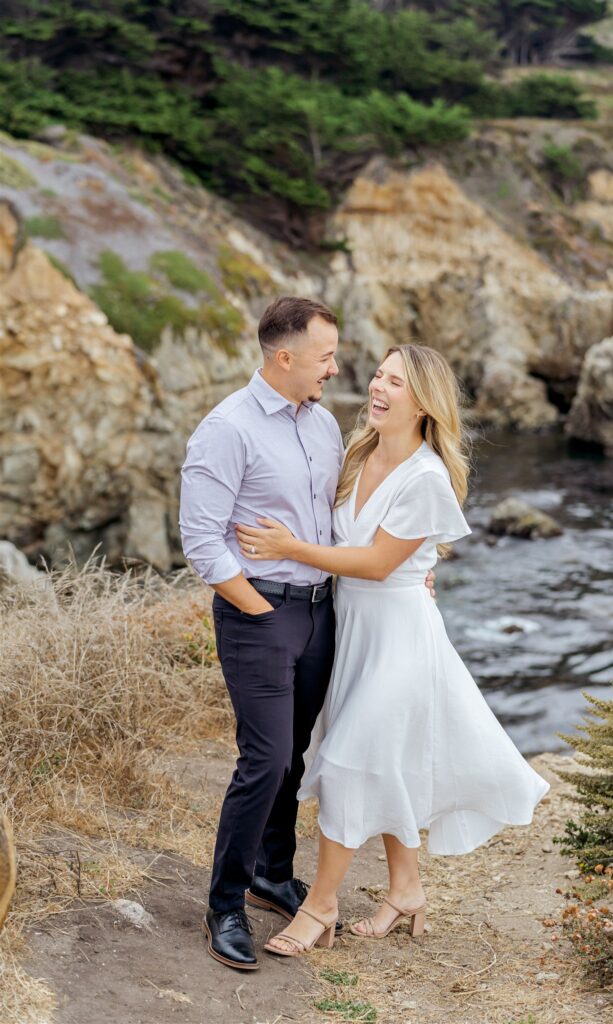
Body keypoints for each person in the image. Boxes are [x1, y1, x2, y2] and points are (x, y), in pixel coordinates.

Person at [235, 343, 551, 957]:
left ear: (424, 402)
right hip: (350, 629)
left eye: (396, 382)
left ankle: (320, 908)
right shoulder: (358, 453)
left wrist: (289, 549)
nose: (378, 387)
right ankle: (405, 889)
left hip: (400, 636)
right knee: (388, 759)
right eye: (378, 375)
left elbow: (380, 563)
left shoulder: (428, 476)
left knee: (353, 758)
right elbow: (347, 541)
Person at [179, 296, 435, 971]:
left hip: (324, 612)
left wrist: (412, 568)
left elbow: (348, 517)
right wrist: (260, 612)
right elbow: (202, 544)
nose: (336, 368)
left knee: (294, 756)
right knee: (261, 761)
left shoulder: (323, 425)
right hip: (260, 613)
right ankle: (225, 905)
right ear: (284, 357)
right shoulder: (225, 429)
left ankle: (271, 872)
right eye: (325, 356)